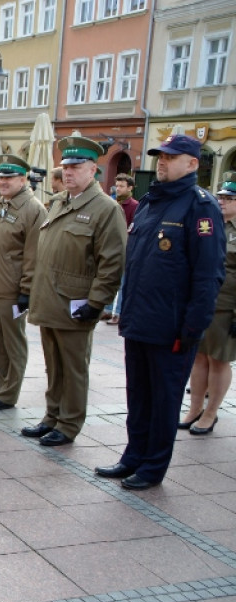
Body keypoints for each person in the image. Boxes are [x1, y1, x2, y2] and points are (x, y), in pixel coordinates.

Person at [95, 135, 225, 489]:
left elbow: (207, 274)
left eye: (171, 157)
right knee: (138, 395)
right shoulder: (151, 202)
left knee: (164, 400)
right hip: (139, 319)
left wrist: (192, 328)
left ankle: (153, 467)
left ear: (192, 164)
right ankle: (133, 456)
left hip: (172, 327)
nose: (162, 163)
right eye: (159, 157)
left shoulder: (200, 208)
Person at [22, 136, 126, 446]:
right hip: (50, 299)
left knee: (74, 368)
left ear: (93, 170)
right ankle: (52, 416)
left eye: (76, 167)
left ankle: (68, 424)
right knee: (54, 365)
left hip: (76, 304)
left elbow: (113, 260)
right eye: (65, 167)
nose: (68, 172)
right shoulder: (59, 202)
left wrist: (97, 303)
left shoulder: (105, 209)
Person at [0, 154, 46, 410]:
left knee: (13, 343)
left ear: (23, 179)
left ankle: (9, 392)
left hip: (13, 290)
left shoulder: (33, 209)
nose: (3, 182)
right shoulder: (2, 203)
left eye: (9, 177)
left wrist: (26, 290)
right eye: (1, 177)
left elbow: (33, 254)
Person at [179, 179, 236, 436]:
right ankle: (195, 409)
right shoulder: (210, 224)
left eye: (228, 198)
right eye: (221, 197)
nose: (221, 201)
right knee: (198, 357)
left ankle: (211, 413)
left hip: (227, 307)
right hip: (202, 302)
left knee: (219, 359)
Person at [102, 173, 140, 325]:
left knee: (123, 283)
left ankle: (118, 313)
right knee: (110, 279)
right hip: (110, 246)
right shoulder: (112, 203)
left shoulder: (134, 206)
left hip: (125, 248)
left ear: (130, 188)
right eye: (116, 186)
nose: (118, 189)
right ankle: (107, 309)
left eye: (121, 186)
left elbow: (133, 228)